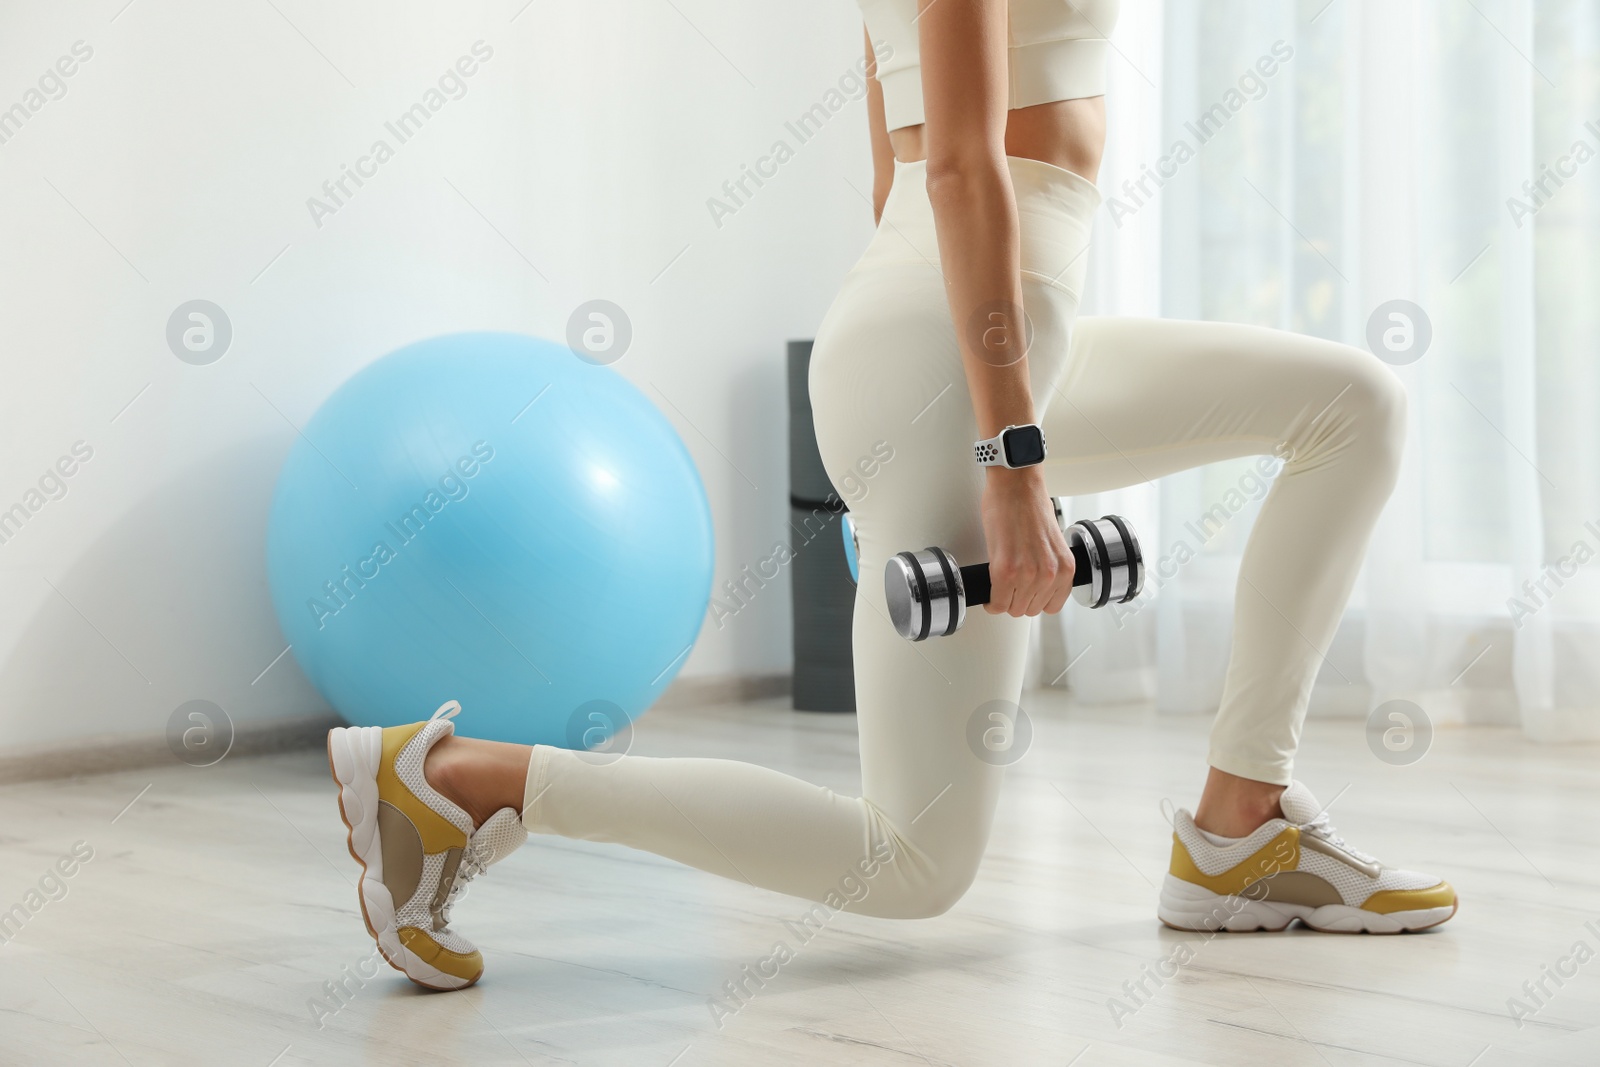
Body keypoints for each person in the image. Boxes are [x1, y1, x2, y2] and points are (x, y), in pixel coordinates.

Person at [324, 0, 1456, 991]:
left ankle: (1239, 825)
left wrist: (964, 438)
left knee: (1350, 406)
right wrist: (1004, 457)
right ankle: (463, 781)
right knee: (912, 861)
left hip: (974, 340)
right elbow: (960, 166)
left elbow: (894, 175)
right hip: (950, 362)